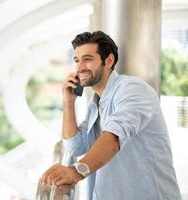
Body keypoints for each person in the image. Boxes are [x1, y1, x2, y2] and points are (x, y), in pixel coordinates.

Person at [40, 31, 182, 200]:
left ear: (108, 61)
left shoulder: (133, 89)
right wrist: (68, 103)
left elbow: (115, 136)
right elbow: (75, 147)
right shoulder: (96, 105)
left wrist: (76, 172)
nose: (79, 68)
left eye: (87, 59)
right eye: (77, 60)